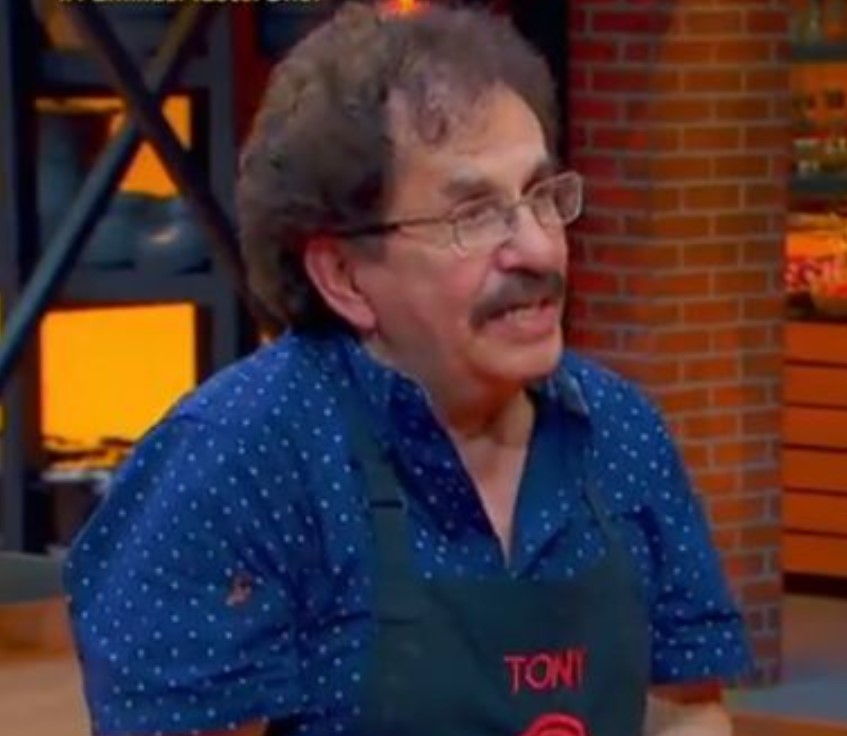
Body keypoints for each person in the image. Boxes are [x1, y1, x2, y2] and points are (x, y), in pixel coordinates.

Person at [64, 3, 752, 735]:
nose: (539, 250)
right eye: (474, 215)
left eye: (541, 196)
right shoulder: (236, 463)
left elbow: (685, 710)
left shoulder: (621, 431)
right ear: (344, 277)